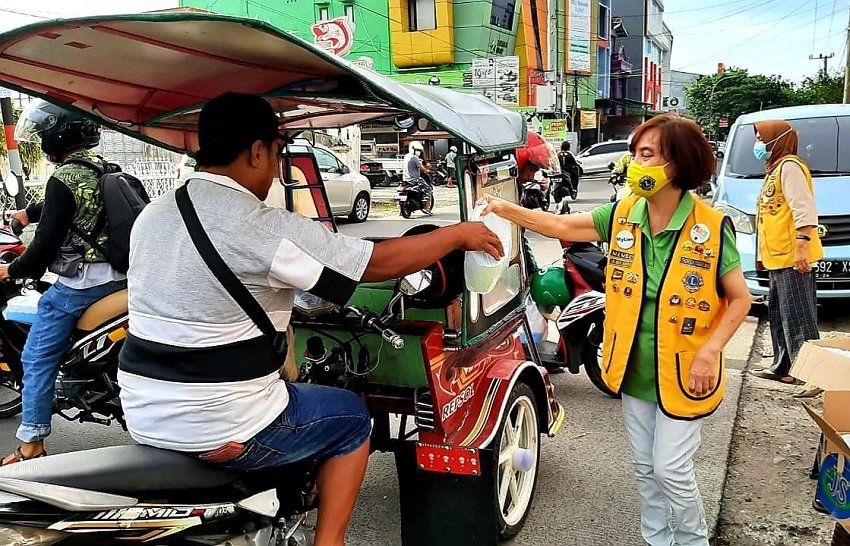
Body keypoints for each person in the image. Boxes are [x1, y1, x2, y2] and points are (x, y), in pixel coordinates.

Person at [117, 92, 504, 546]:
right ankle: (330, 541)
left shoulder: (153, 215)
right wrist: (457, 234)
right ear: (257, 151)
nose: (275, 168)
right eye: (277, 152)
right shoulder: (263, 226)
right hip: (224, 421)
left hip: (144, 410)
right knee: (352, 418)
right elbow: (375, 264)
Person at [481, 113, 752, 546]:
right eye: (636, 154)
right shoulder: (624, 214)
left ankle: (693, 541)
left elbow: (739, 299)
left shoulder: (711, 227)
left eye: (647, 154)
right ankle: (657, 539)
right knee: (645, 468)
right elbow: (561, 226)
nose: (635, 163)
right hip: (632, 366)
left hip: (685, 370)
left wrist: (710, 351)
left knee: (671, 468)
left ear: (677, 163)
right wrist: (504, 208)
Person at [0, 101, 127, 464]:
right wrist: (28, 213)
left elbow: (43, 248)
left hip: (83, 286)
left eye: (43, 134)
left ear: (57, 135)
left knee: (36, 356)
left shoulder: (63, 178)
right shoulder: (105, 168)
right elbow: (69, 205)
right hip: (122, 279)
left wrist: (12, 271)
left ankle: (32, 442)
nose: (41, 141)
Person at [747, 120, 824, 398]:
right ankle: (784, 367)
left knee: (799, 316)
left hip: (794, 256)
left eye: (761, 138)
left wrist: (802, 247)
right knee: (780, 314)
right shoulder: (775, 168)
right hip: (777, 257)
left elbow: (804, 209)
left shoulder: (790, 167)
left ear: (778, 140)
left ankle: (814, 377)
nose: (758, 144)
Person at [403, 141, 433, 215]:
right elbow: (423, 169)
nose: (418, 152)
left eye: (419, 151)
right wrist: (428, 171)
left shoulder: (406, 156)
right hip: (414, 179)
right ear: (412, 149)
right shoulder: (414, 158)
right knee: (428, 189)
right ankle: (426, 207)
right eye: (417, 150)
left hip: (405, 179)